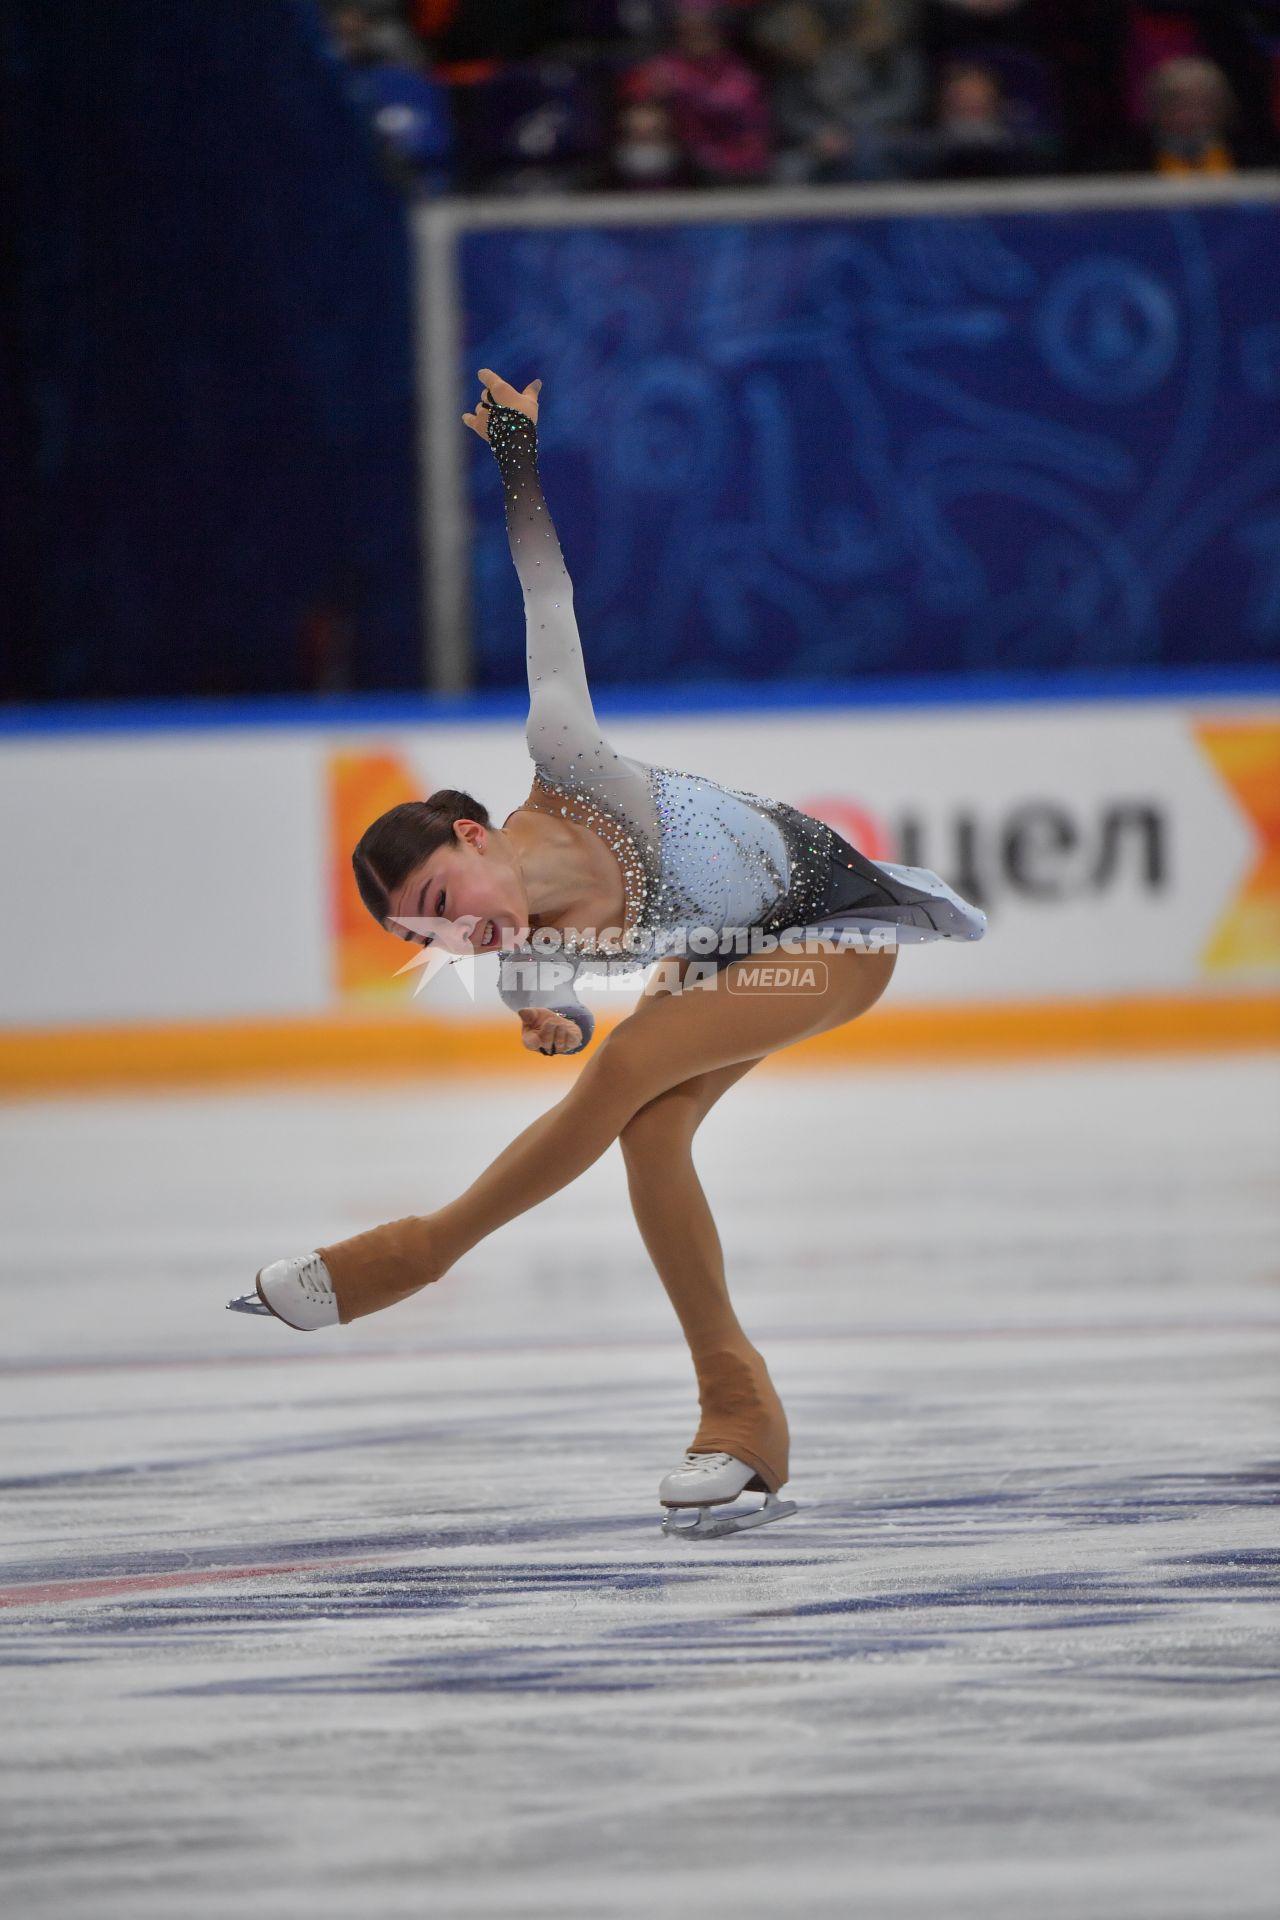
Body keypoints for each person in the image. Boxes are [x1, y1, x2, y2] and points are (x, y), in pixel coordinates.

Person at [228, 368, 986, 1539]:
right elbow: (560, 1019)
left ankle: (421, 1253)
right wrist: (547, 1021)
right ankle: (739, 1422)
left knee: (635, 1072)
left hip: (832, 930)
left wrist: (516, 463)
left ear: (472, 833)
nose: (454, 937)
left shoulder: (565, 753)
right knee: (649, 1127)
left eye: (442, 898)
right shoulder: (519, 954)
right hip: (725, 958)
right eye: (424, 936)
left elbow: (545, 588)